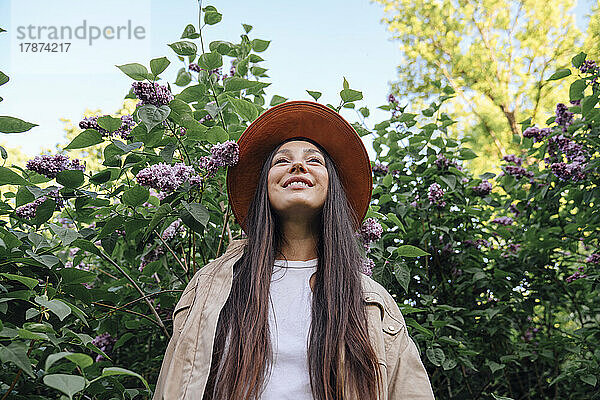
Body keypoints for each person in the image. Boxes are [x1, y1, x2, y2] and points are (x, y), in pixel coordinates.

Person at [152, 101, 435, 400]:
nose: (297, 166)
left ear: (332, 187)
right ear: (265, 186)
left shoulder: (372, 302)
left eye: (313, 161)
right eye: (281, 161)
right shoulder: (211, 286)